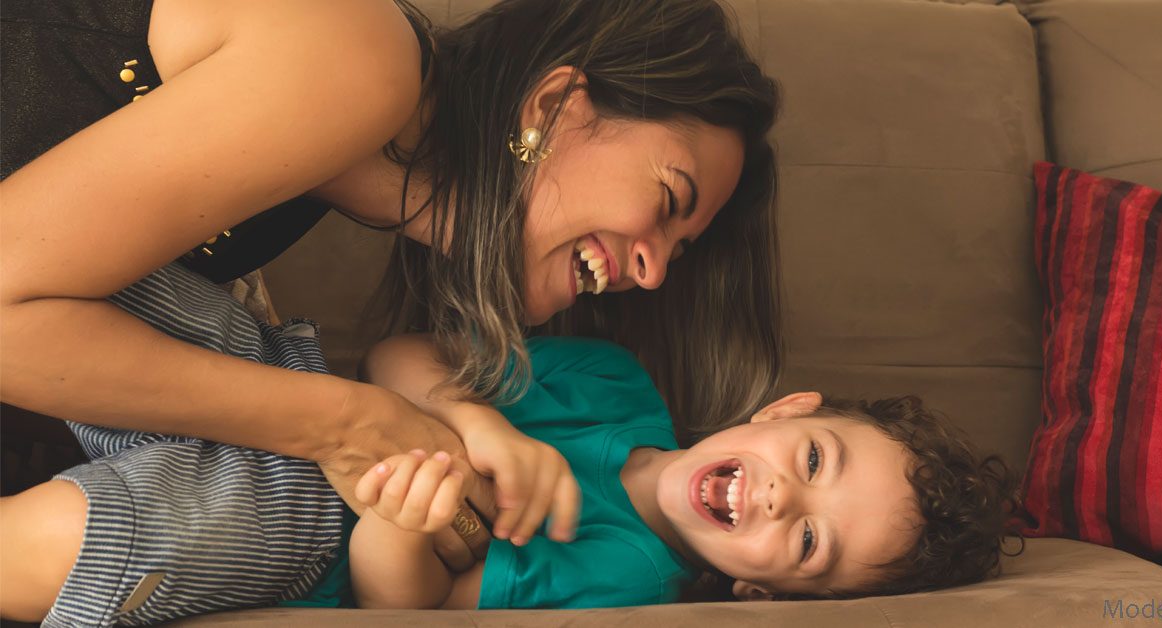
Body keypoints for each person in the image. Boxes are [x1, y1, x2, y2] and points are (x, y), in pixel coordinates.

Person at [0, 0, 781, 622]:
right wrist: (348, 426)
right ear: (556, 106)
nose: (649, 273)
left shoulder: (364, 168)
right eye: (668, 200)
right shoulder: (358, 63)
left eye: (675, 253)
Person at [1, 336, 1021, 618]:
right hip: (288, 384)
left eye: (805, 541)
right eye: (810, 462)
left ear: (762, 592)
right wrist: (469, 419)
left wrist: (408, 509)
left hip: (302, 526)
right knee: (76, 278)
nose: (779, 497)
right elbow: (403, 354)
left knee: (70, 547)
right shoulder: (615, 384)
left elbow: (410, 597)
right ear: (786, 412)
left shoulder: (628, 577)